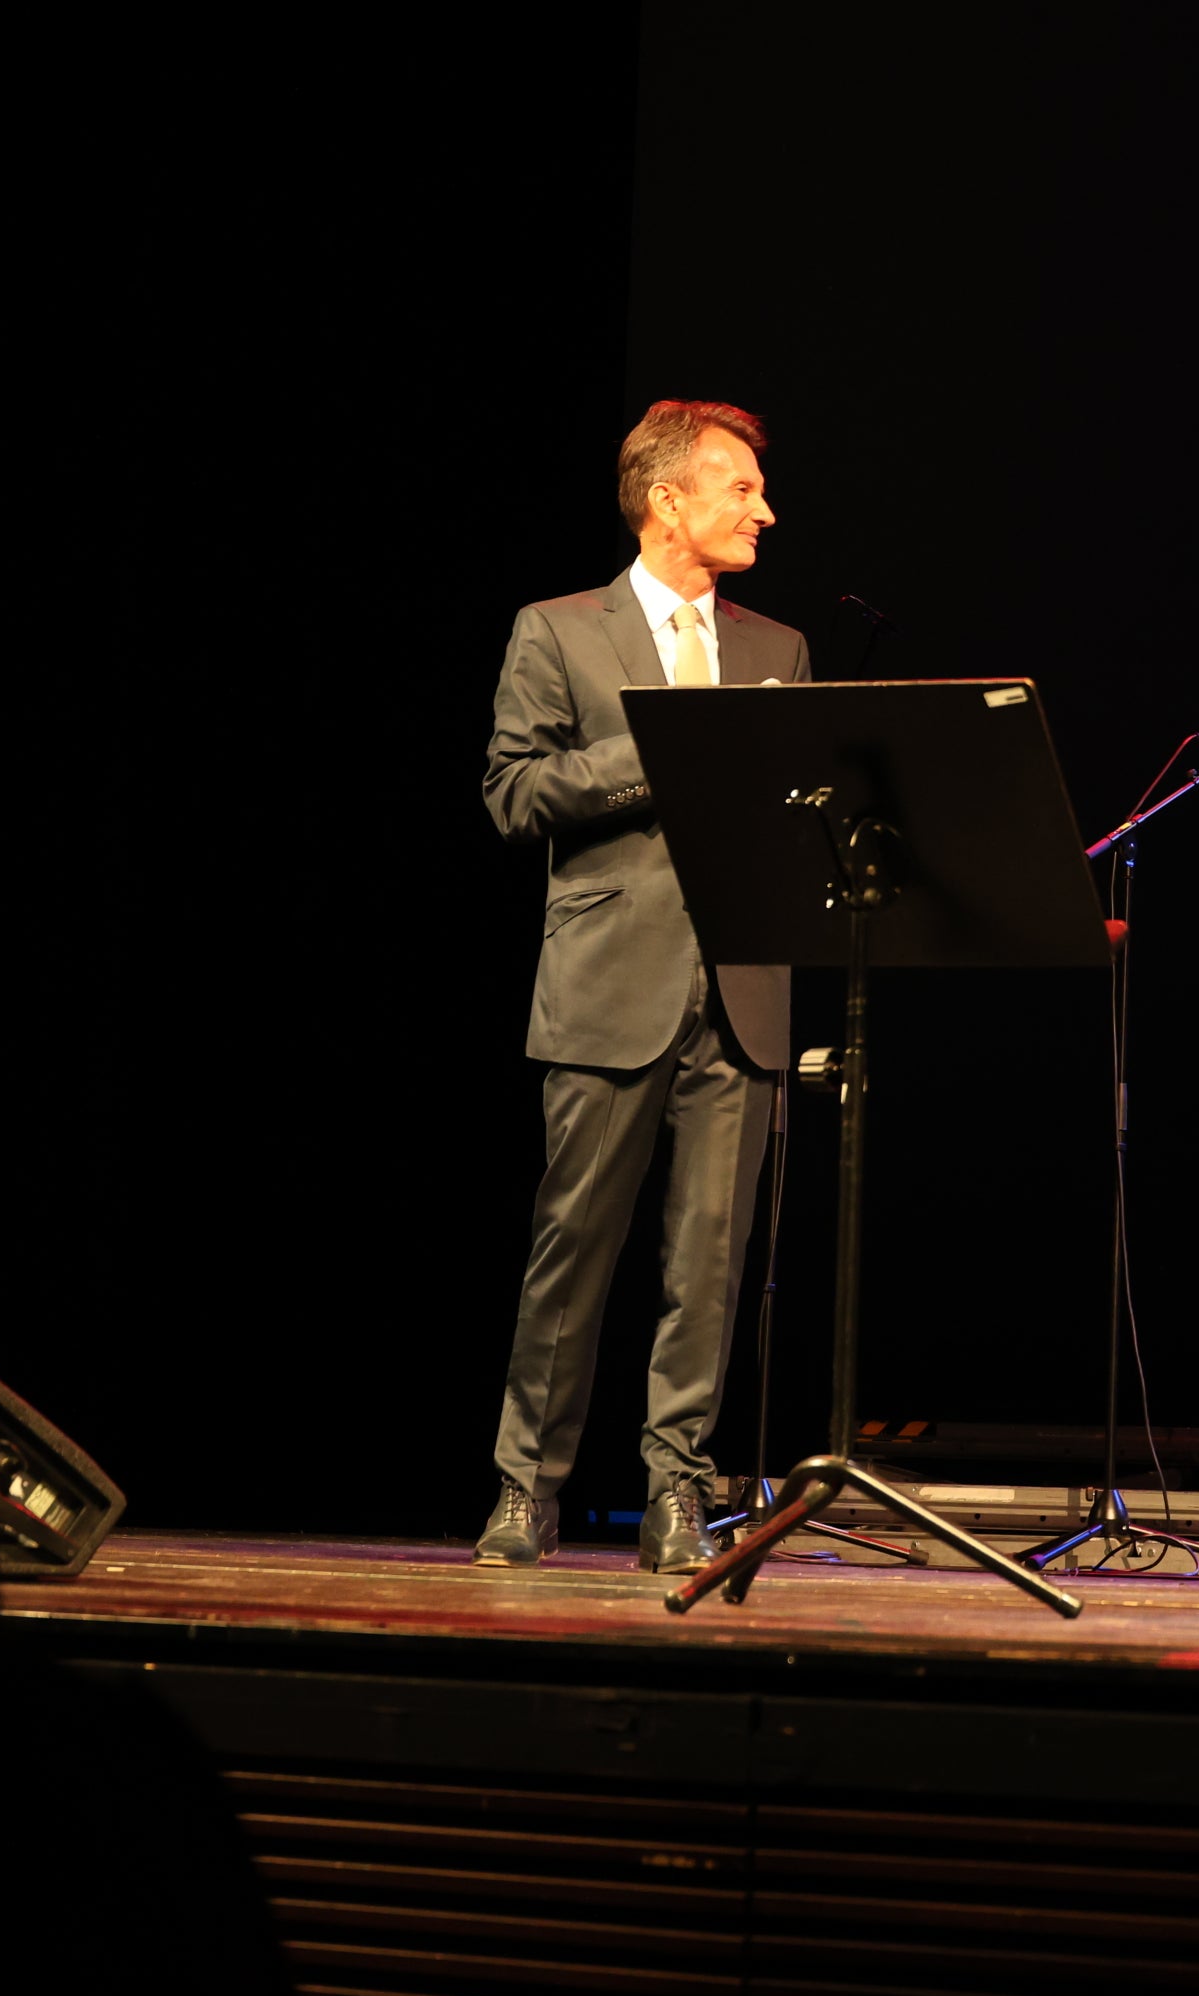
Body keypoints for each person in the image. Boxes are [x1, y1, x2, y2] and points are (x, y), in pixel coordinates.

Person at [473, 400, 808, 1573]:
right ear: (670, 499)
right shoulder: (559, 630)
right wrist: (666, 748)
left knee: (708, 1258)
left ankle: (677, 1488)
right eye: (741, 489)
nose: (763, 508)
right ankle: (527, 1490)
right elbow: (515, 795)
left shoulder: (780, 649)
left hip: (743, 995)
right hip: (612, 982)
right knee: (573, 1250)